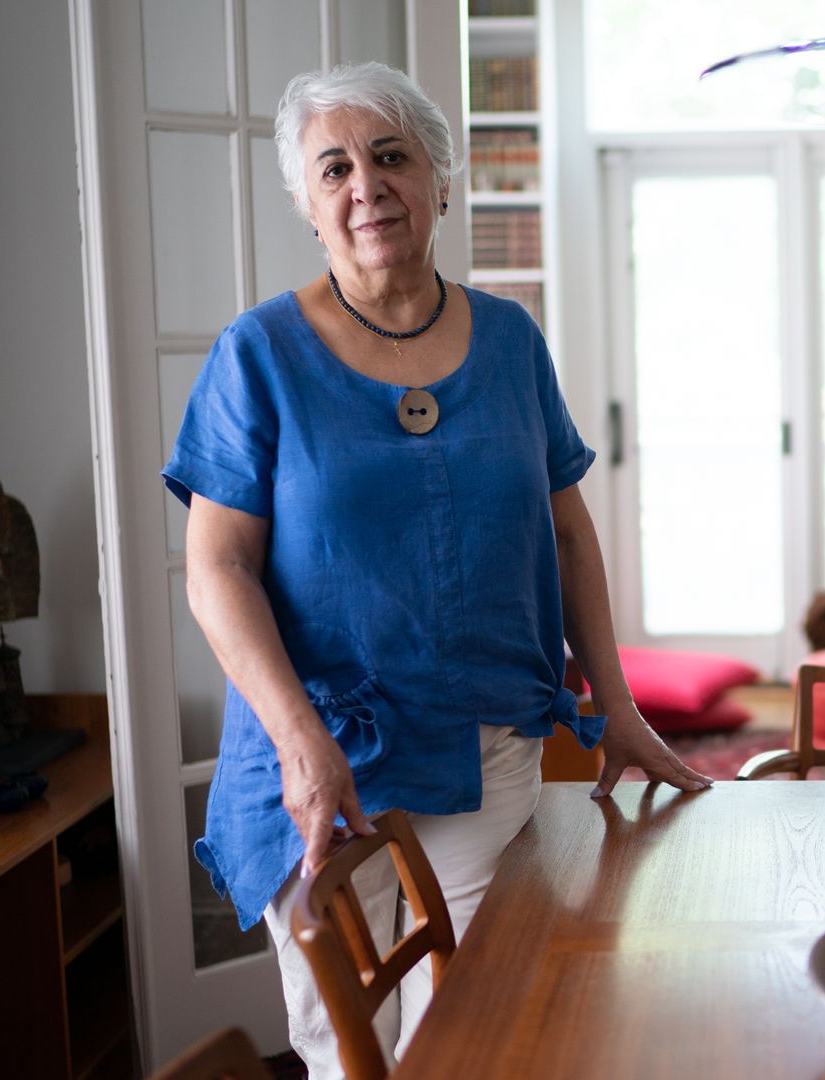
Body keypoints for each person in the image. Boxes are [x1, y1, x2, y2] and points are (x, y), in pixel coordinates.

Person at [161, 62, 712, 1078]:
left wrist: (618, 704)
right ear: (306, 204)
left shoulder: (509, 341)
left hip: (486, 758)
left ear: (440, 180)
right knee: (350, 1054)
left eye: (390, 156)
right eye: (334, 167)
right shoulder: (258, 355)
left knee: (484, 1035)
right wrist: (299, 742)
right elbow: (218, 571)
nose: (365, 185)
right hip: (327, 773)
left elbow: (572, 537)